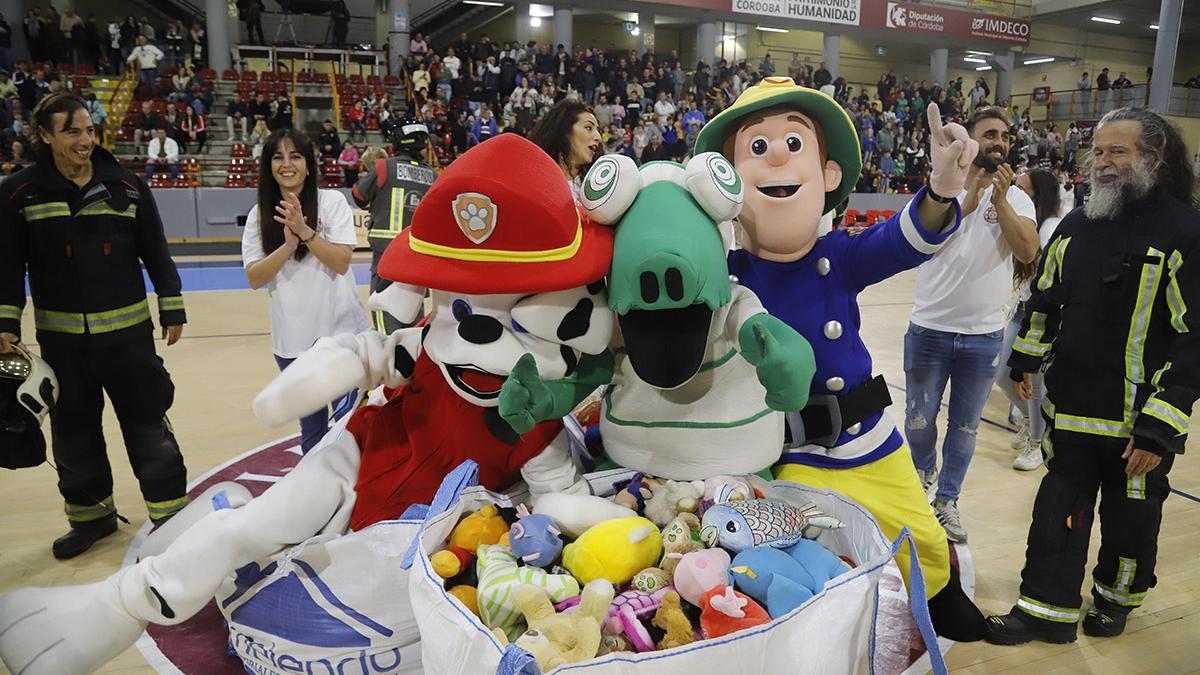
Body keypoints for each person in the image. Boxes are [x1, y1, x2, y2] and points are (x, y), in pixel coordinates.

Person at [697, 78, 987, 642]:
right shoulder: (726, 272)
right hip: (778, 448)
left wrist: (942, 189)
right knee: (808, 549)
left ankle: (941, 600)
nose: (778, 154)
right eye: (757, 147)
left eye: (794, 143)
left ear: (827, 176)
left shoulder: (839, 255)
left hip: (866, 435)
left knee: (920, 533)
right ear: (726, 182)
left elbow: (904, 240)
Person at [984, 108, 1199, 644]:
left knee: (1131, 521)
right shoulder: (1078, 225)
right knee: (1059, 508)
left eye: (1116, 152)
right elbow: (1046, 298)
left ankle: (1116, 599)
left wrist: (1159, 427)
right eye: (1097, 152)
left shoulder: (1185, 232)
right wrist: (1025, 360)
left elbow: (1194, 339)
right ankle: (1044, 611)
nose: (1102, 163)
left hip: (1136, 425)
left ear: (1153, 158)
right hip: (1072, 409)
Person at [0, 93, 189, 558]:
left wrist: (172, 305)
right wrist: (5, 323)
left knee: (149, 427)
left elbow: (155, 250)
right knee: (74, 434)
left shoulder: (127, 186)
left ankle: (171, 518)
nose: (86, 141)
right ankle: (93, 519)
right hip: (62, 345)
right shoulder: (18, 193)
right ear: (45, 136)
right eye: (73, 132)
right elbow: (6, 265)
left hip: (129, 341)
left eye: (89, 130)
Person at [904, 106, 1039, 544]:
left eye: (1004, 135)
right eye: (989, 134)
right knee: (919, 422)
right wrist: (970, 200)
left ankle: (947, 502)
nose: (999, 142)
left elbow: (1028, 253)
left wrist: (999, 202)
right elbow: (924, 242)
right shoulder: (941, 189)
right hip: (929, 328)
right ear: (971, 141)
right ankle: (923, 477)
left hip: (982, 337)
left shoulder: (1018, 199)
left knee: (964, 427)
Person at [241, 128, 368, 452]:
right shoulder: (259, 215)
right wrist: (287, 246)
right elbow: (255, 277)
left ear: (308, 165)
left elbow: (341, 262)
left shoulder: (332, 202)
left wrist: (305, 232)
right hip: (292, 341)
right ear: (268, 166)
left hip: (340, 336)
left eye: (295, 156)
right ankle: (318, 497)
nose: (287, 164)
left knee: (348, 427)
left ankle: (354, 496)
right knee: (311, 431)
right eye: (278, 157)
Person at [991, 168, 1061, 471]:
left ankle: (1037, 445)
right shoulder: (1025, 221)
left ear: (1038, 195)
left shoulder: (1050, 227)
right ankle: (1035, 424)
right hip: (1022, 309)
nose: (1016, 192)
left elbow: (1048, 282)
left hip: (1045, 315)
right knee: (1003, 375)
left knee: (1035, 382)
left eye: (1022, 188)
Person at [352, 114, 436, 333]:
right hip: (418, 257)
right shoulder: (433, 175)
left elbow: (359, 196)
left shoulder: (382, 167)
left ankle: (388, 358)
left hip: (386, 256)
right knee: (413, 316)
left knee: (382, 312)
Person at [528, 98, 600, 202]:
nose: (598, 137)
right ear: (565, 131)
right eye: (588, 128)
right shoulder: (535, 185)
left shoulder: (596, 190)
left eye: (598, 130)